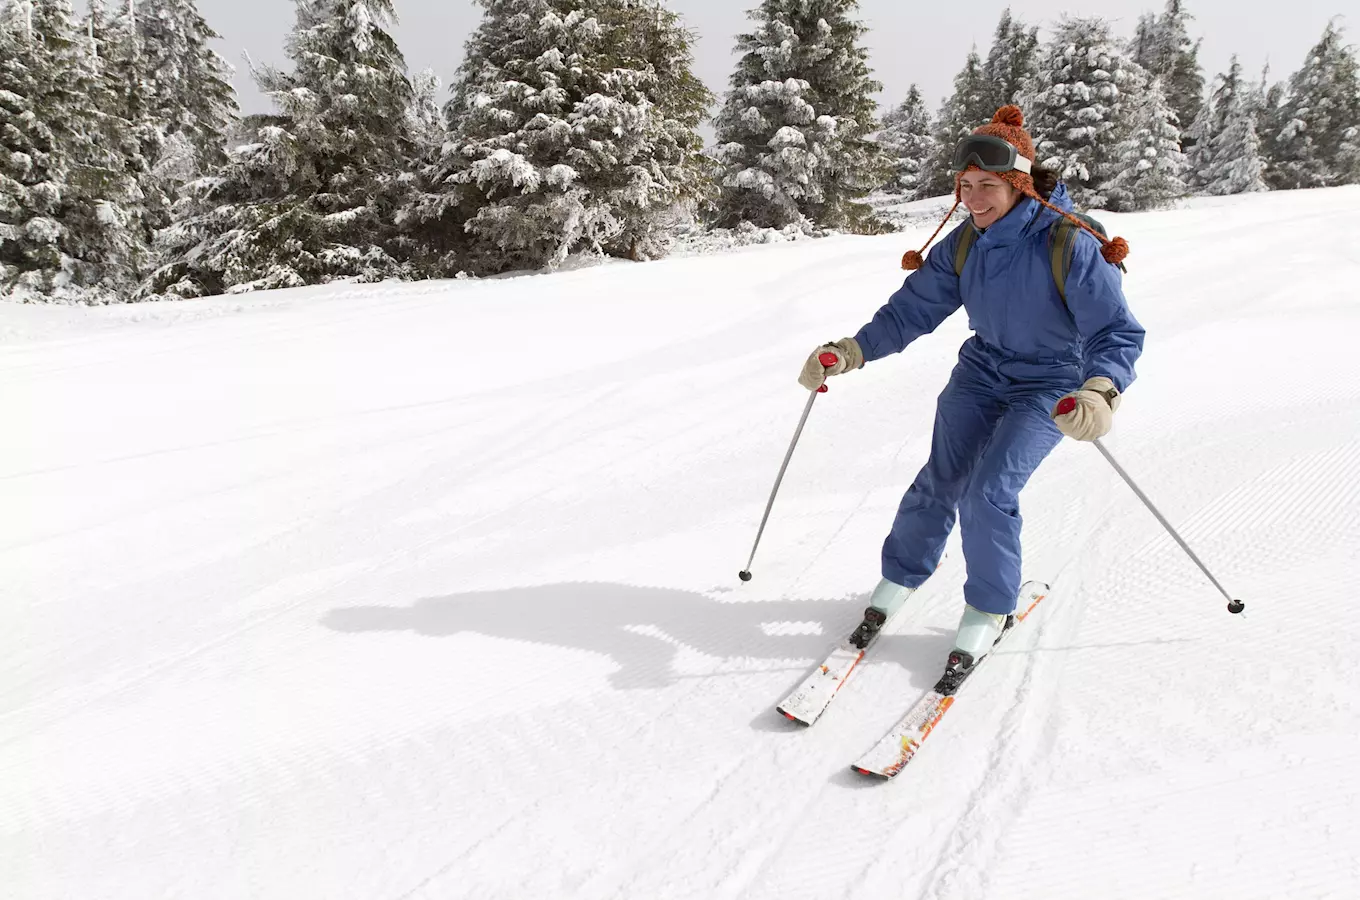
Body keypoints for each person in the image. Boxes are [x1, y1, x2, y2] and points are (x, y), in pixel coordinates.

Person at [798, 105, 1145, 675]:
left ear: (1018, 185)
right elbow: (912, 310)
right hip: (981, 372)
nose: (975, 198)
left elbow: (1115, 331)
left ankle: (990, 607)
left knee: (987, 492)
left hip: (1052, 382)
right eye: (965, 186)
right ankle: (900, 576)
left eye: (988, 185)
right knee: (941, 476)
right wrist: (851, 351)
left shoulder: (1070, 243)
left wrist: (1102, 390)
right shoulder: (965, 243)